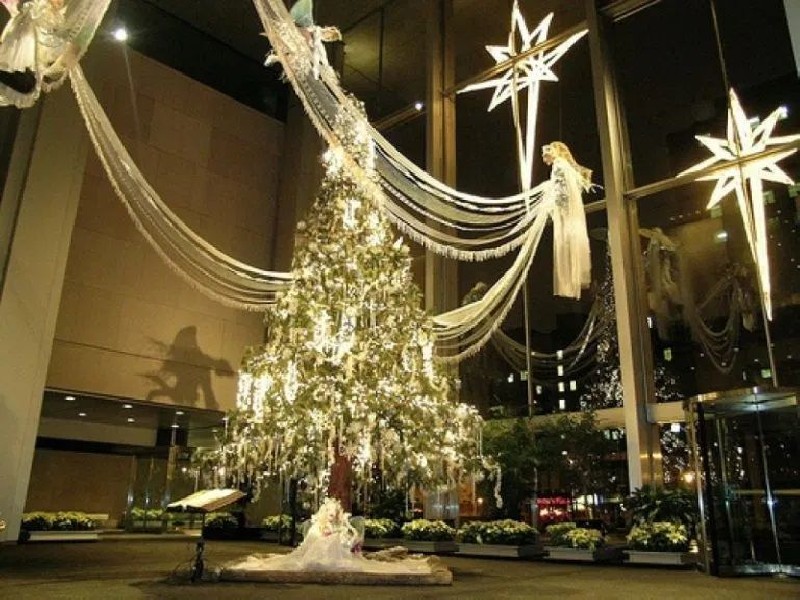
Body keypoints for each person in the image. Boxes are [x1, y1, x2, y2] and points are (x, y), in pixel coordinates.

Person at [542, 142, 592, 299]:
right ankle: (573, 278)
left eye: (545, 154)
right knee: (570, 244)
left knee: (565, 244)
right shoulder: (566, 166)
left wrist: (555, 209)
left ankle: (568, 281)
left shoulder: (558, 165)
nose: (544, 158)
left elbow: (561, 191)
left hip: (566, 214)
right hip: (571, 215)